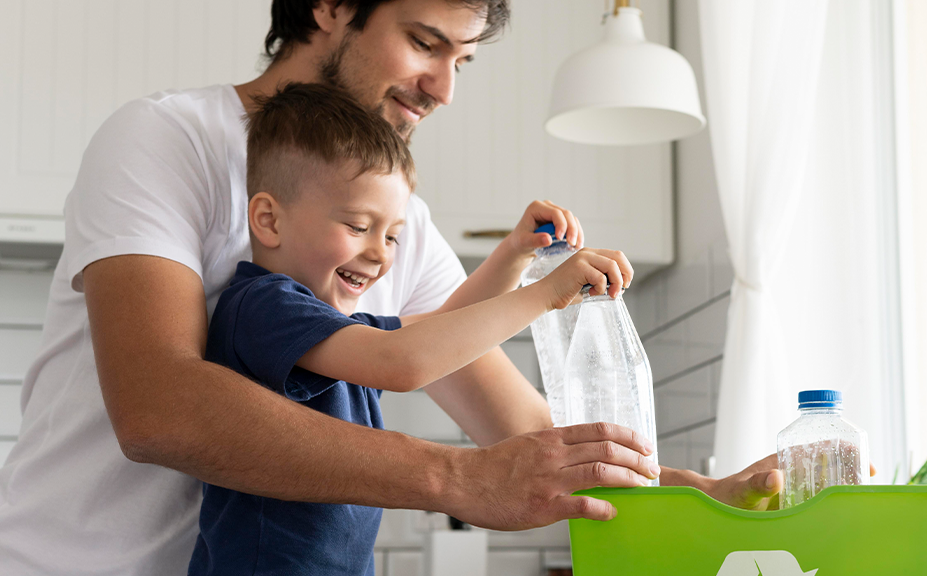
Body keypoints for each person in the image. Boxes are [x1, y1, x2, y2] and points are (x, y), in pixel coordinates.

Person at [0, 1, 785, 574]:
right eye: (424, 42)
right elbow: (158, 409)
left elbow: (522, 433)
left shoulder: (383, 220)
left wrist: (700, 491)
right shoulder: (170, 139)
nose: (444, 86)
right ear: (331, 8)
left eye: (463, 61)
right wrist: (456, 479)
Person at [189, 81, 644, 576]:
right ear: (268, 220)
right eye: (359, 227)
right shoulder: (262, 307)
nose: (380, 253)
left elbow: (444, 329)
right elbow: (403, 362)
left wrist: (514, 254)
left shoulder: (326, 326)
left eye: (392, 235)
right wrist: (544, 294)